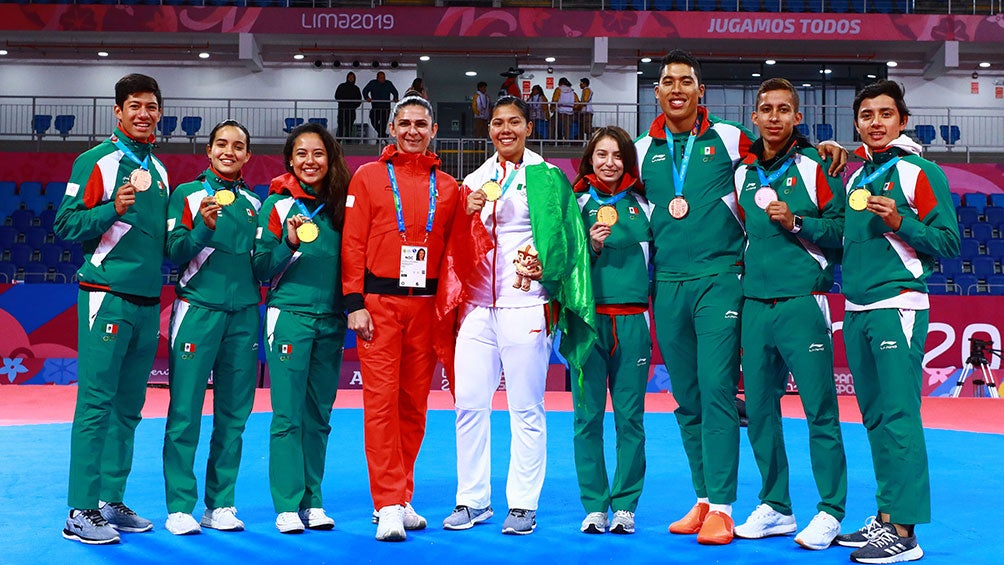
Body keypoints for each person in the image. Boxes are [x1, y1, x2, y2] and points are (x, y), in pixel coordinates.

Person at [634, 50, 846, 546]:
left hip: (722, 279)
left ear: (700, 90)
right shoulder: (643, 148)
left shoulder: (733, 140)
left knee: (718, 392)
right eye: (668, 81)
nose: (677, 88)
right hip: (667, 284)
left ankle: (725, 507)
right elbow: (607, 180)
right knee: (686, 399)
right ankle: (706, 496)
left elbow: (784, 150)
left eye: (687, 80)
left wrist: (825, 147)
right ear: (658, 91)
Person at [434, 96, 595, 536]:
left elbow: (567, 236)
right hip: (476, 307)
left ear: (528, 127)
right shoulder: (473, 180)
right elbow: (455, 252)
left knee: (526, 408)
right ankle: (472, 500)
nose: (506, 130)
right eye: (498, 123)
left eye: (515, 123)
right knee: (468, 405)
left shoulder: (547, 177)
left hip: (525, 303)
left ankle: (522, 504)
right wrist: (465, 219)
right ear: (489, 130)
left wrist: (552, 270)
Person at [834, 80, 959, 564]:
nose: (876, 121)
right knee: (876, 418)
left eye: (886, 113)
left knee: (901, 417)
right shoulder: (855, 177)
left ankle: (905, 533)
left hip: (899, 304)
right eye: (867, 115)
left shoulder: (918, 171)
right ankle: (886, 517)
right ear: (858, 124)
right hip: (858, 307)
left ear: (902, 121)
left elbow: (948, 243)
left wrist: (901, 222)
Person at [730, 79, 848, 551]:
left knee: (820, 409)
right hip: (755, 305)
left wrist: (798, 222)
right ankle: (777, 506)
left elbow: (842, 232)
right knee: (758, 411)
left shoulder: (818, 165)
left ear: (798, 118)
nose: (774, 117)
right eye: (765, 109)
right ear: (754, 119)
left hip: (803, 302)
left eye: (784, 110)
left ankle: (831, 510)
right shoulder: (742, 173)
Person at [341, 96, 460, 542]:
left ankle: (401, 494)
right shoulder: (369, 177)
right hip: (379, 305)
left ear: (433, 130)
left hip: (427, 307)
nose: (412, 130)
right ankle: (386, 502)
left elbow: (454, 253)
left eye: (421, 124)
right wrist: (354, 302)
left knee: (414, 406)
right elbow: (352, 242)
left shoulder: (448, 187)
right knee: (381, 405)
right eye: (404, 123)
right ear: (391, 128)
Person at [56, 73, 168, 545]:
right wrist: (112, 209)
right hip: (106, 297)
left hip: (147, 302)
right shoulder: (96, 161)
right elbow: (65, 224)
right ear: (118, 112)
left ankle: (110, 502)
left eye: (152, 106)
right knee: (96, 405)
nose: (144, 114)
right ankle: (79, 510)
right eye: (135, 106)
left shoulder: (160, 171)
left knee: (129, 408)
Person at [161, 120, 260, 536]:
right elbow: (173, 252)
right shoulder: (187, 194)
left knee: (234, 416)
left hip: (244, 317)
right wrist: (203, 225)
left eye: (238, 146)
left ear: (247, 156)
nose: (229, 151)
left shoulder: (255, 203)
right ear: (209, 149)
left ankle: (220, 504)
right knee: (185, 412)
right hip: (198, 310)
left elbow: (260, 263)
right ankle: (180, 506)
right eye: (222, 144)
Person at [252, 123, 351, 534]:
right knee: (288, 415)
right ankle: (287, 504)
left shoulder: (342, 207)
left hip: (332, 320)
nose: (310, 161)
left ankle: (313, 502)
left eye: (318, 154)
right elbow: (260, 268)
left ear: (330, 160)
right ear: (290, 160)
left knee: (319, 416)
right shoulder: (275, 205)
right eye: (302, 154)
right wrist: (289, 243)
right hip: (289, 317)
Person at [571, 126, 653, 536]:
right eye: (601, 155)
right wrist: (591, 246)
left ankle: (624, 506)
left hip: (633, 320)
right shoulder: (576, 202)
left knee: (629, 419)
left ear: (627, 161)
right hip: (587, 323)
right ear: (590, 159)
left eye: (617, 155)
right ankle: (594, 506)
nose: (609, 163)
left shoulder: (645, 202)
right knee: (587, 419)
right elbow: (563, 262)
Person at [363, 71, 399, 139]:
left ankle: (380, 137)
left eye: (384, 77)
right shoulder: (372, 83)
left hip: (386, 108)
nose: (383, 79)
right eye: (381, 78)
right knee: (373, 120)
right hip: (375, 107)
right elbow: (365, 90)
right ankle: (382, 134)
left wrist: (395, 97)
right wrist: (366, 97)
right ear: (377, 78)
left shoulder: (388, 83)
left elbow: (394, 91)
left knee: (383, 124)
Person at [335, 72, 363, 142]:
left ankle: (348, 140)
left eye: (352, 77)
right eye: (349, 77)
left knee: (349, 125)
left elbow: (359, 100)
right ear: (347, 78)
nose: (351, 78)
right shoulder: (341, 86)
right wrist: (343, 103)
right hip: (342, 109)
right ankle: (339, 140)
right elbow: (337, 96)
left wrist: (354, 106)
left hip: (351, 110)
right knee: (340, 124)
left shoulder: (356, 88)